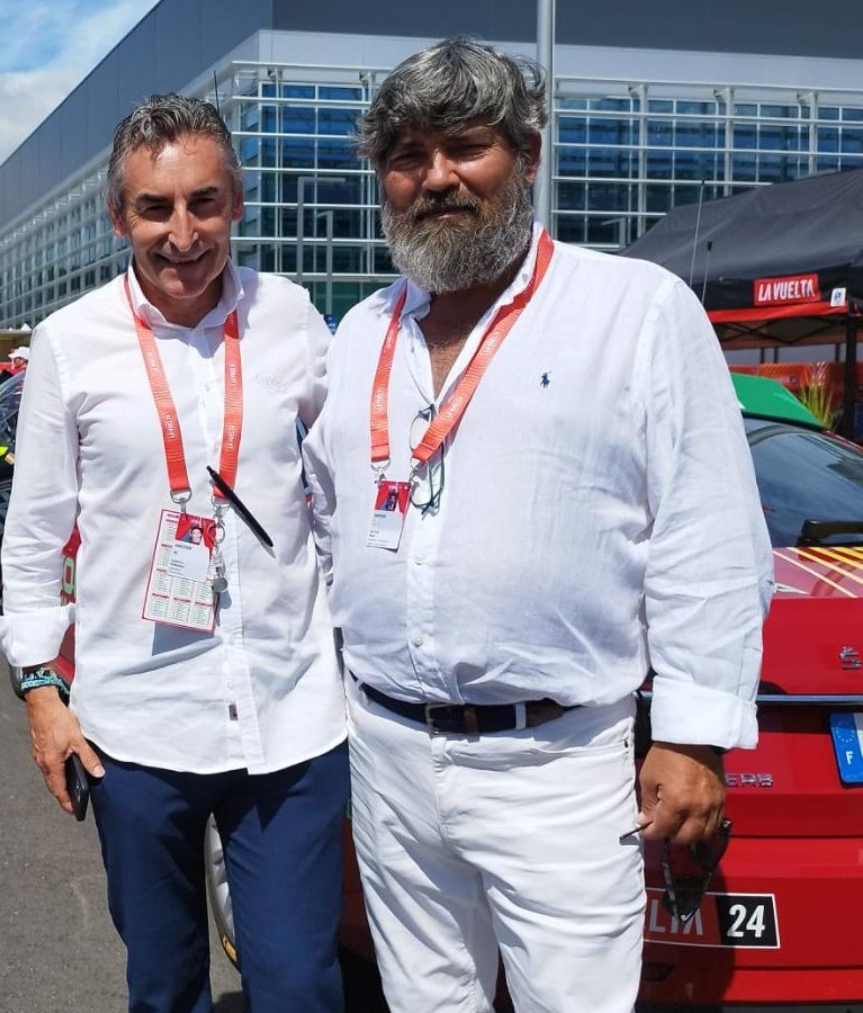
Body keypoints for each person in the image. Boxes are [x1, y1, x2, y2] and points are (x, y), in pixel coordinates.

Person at [300, 39, 771, 1013]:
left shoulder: (632, 309)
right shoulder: (360, 335)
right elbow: (320, 523)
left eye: (465, 147)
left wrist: (693, 735)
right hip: (388, 750)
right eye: (407, 155)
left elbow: (710, 529)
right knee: (426, 1000)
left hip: (555, 762)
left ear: (525, 151)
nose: (435, 178)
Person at [0, 94, 347, 1012]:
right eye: (156, 208)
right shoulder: (69, 343)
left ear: (237, 202)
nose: (182, 233)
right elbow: (32, 534)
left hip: (291, 718)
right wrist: (41, 692)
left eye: (204, 203)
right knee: (164, 983)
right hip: (136, 728)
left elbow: (343, 496)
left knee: (301, 982)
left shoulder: (295, 317)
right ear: (120, 217)